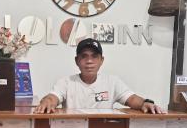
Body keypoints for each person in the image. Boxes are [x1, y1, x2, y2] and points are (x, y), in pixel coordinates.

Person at [34, 38, 165, 114]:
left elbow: (132, 99)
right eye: (84, 56)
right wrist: (46, 102)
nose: (89, 61)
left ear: (101, 60)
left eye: (94, 57)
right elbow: (53, 97)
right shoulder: (66, 82)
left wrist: (146, 103)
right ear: (76, 61)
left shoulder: (112, 81)